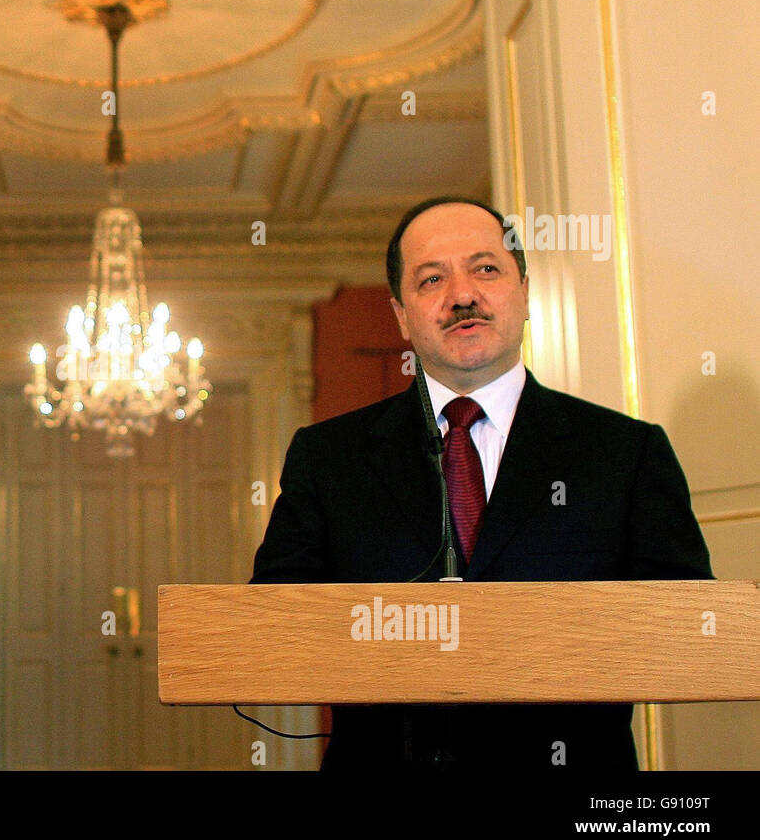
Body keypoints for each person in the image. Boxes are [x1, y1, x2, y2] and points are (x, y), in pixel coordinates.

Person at [251, 196, 711, 771]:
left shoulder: (626, 454)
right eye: (431, 279)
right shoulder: (328, 458)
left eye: (486, 269)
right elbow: (273, 626)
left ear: (524, 290)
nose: (462, 295)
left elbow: (690, 632)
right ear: (401, 315)